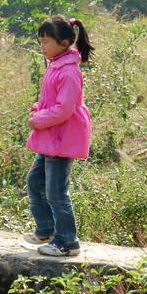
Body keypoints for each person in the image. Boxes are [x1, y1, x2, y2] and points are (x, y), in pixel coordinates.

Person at [22, 16, 93, 257]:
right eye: (40, 42)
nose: (42, 47)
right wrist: (38, 108)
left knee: (56, 191)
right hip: (52, 137)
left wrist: (38, 119)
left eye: (45, 42)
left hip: (62, 139)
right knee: (35, 181)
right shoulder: (56, 65)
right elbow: (51, 100)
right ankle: (46, 230)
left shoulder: (70, 71)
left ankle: (67, 242)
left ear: (64, 42)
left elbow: (64, 109)